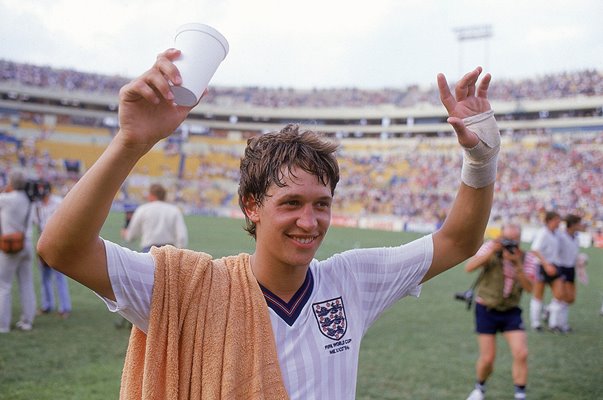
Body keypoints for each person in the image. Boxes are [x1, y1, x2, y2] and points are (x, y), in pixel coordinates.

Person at [37, 49, 499, 399]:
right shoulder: (189, 289)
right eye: (291, 202)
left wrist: (481, 160)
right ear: (251, 206)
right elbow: (62, 249)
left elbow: (458, 240)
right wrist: (131, 142)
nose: (309, 221)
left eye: (322, 204)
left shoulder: (352, 280)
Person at [464, 224, 534, 400]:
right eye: (507, 239)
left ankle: (520, 394)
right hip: (486, 308)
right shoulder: (491, 248)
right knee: (488, 358)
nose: (510, 244)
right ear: (501, 237)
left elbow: (529, 288)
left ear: (519, 240)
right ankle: (479, 387)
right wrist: (492, 251)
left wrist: (517, 265)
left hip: (511, 310)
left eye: (514, 240)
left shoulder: (527, 258)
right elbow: (469, 267)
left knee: (521, 353)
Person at [0, 170, 36, 332]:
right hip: (26, 243)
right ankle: (28, 321)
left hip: (10, 245)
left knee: (4, 286)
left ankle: (3, 324)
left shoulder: (6, 199)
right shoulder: (29, 200)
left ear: (11, 183)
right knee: (26, 283)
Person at [33, 181, 72, 319]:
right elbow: (37, 224)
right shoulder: (36, 205)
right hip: (43, 242)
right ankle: (46, 305)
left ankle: (65, 307)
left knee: (59, 277)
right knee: (44, 277)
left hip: (57, 242)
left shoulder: (58, 202)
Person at [121, 183, 188, 252]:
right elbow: (182, 237)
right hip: (169, 252)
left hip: (149, 251)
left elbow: (132, 234)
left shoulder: (143, 209)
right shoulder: (174, 210)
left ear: (151, 195)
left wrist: (126, 234)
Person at [528, 210, 562, 331]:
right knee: (538, 295)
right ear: (549, 220)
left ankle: (552, 319)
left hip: (554, 266)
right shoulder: (543, 233)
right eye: (556, 219)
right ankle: (536, 323)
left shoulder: (557, 233)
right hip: (542, 266)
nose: (559, 222)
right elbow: (535, 250)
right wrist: (546, 264)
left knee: (559, 295)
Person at [549, 214, 582, 332]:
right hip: (561, 267)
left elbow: (574, 254)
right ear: (572, 224)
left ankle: (551, 311)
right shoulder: (560, 236)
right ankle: (555, 324)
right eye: (579, 223)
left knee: (570, 298)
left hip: (570, 268)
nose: (581, 225)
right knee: (559, 296)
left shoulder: (576, 237)